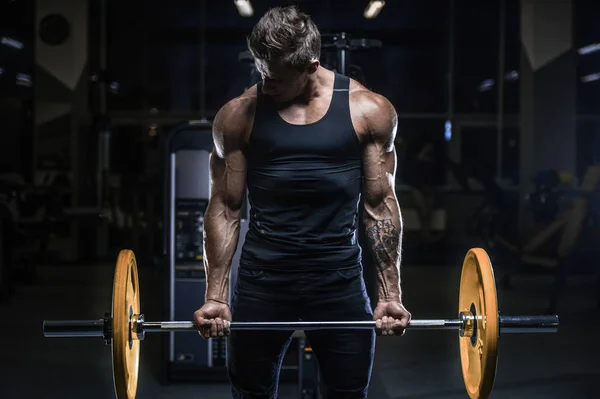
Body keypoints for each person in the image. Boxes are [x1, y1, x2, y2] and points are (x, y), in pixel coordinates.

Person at [193, 5, 411, 399]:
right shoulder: (238, 116)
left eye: (275, 78)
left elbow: (380, 207)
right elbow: (225, 209)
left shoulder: (368, 112)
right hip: (263, 281)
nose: (265, 82)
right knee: (250, 392)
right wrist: (215, 297)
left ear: (311, 66)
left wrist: (389, 295)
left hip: (339, 281)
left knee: (348, 392)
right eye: (261, 69)